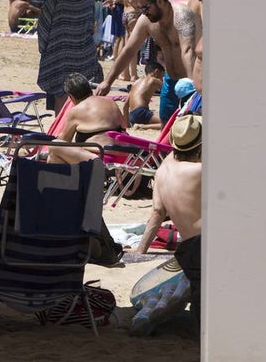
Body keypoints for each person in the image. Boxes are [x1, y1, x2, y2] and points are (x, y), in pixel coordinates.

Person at [135, 115, 203, 332]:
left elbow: (157, 212)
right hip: (210, 246)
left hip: (188, 249)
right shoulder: (201, 171)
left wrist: (140, 250)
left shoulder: (163, 169)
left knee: (199, 292)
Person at [97, 0, 197, 122]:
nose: (143, 12)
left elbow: (188, 50)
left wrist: (192, 85)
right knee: (166, 124)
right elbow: (129, 50)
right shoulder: (146, 21)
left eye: (146, 8)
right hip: (170, 80)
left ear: (160, 2)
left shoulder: (182, 16)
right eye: (140, 9)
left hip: (189, 81)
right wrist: (108, 81)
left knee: (189, 129)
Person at [37, 0, 103, 113]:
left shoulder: (53, 0)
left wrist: (44, 51)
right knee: (83, 93)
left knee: (61, 94)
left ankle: (62, 130)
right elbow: (91, 26)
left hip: (59, 54)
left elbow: (43, 30)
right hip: (85, 53)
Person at [47, 73, 127, 164]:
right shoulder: (110, 102)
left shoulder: (77, 110)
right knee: (55, 155)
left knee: (54, 146)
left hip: (101, 158)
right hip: (126, 155)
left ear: (71, 97)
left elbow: (65, 141)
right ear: (90, 90)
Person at [126, 61, 165, 127]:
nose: (162, 79)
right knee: (168, 123)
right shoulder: (154, 80)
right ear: (156, 71)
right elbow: (168, 92)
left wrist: (126, 123)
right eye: (162, 76)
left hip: (132, 115)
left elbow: (125, 106)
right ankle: (143, 126)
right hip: (141, 112)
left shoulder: (136, 83)